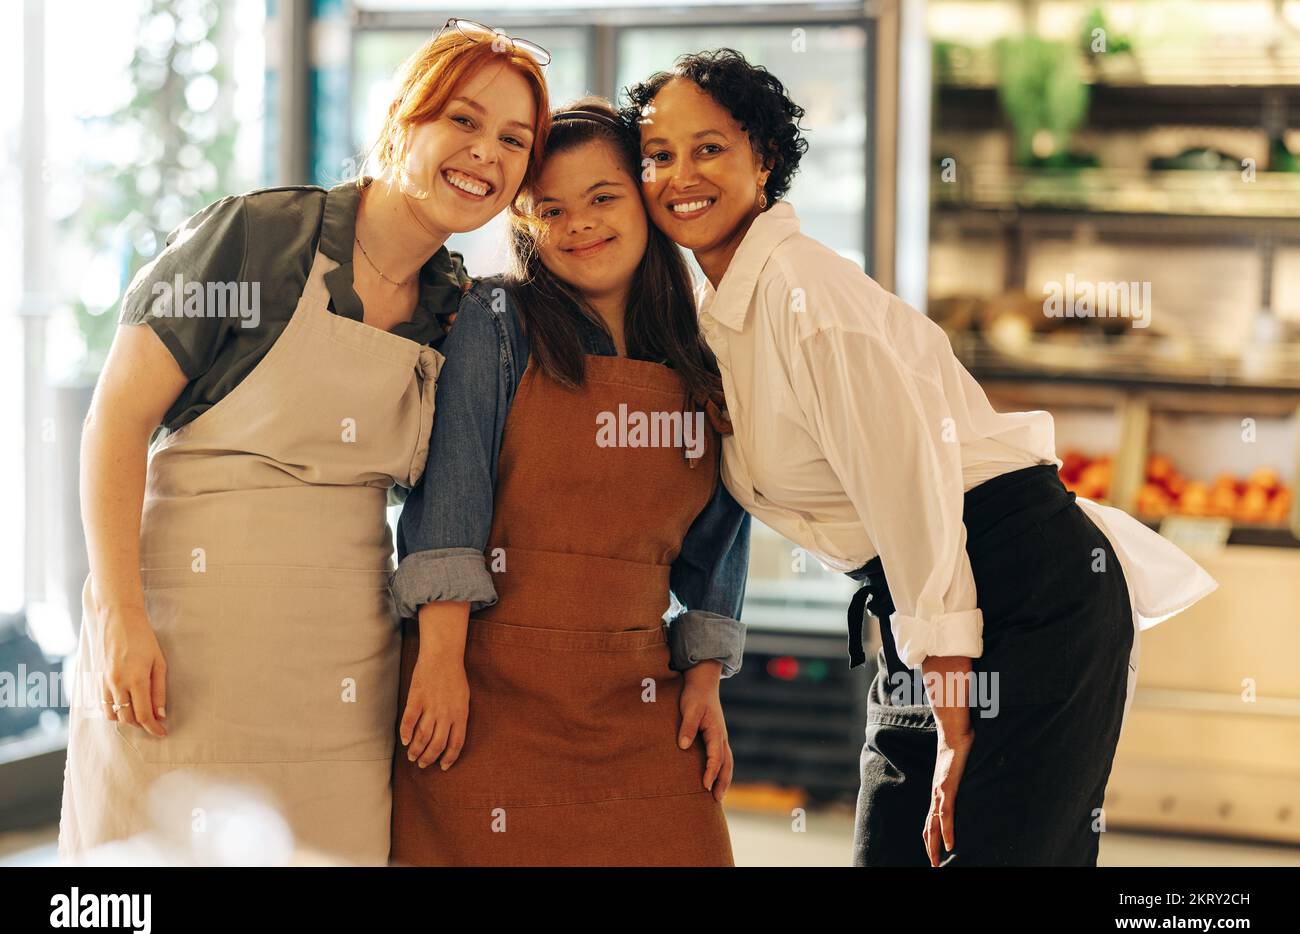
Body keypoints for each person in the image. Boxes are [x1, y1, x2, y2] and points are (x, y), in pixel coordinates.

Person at [626, 49, 1218, 866]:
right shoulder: (718, 312)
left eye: (710, 147)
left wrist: (953, 724)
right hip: (922, 606)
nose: (680, 173)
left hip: (1021, 589)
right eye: (659, 154)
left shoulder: (809, 298)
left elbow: (914, 499)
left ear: (763, 158)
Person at [58, 19, 550, 864]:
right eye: (463, 121)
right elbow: (116, 421)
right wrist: (120, 612)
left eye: (514, 139)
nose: (486, 154)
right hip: (178, 654)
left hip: (339, 680)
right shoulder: (253, 240)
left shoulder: (454, 308)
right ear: (406, 117)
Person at [389, 98, 750, 866]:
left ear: (646, 203)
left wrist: (705, 677)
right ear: (525, 224)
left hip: (638, 697)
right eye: (550, 208)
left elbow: (723, 530)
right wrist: (440, 663)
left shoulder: (699, 348)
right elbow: (451, 493)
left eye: (603, 197)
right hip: (488, 697)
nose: (579, 222)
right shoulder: (496, 319)